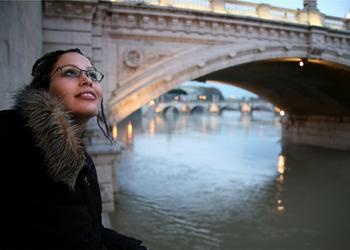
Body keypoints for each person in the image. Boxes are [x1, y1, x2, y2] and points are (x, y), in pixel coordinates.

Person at [0, 48, 149, 250]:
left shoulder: (75, 154)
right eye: (70, 72)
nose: (86, 80)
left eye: (92, 74)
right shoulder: (22, 142)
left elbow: (89, 228)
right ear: (44, 89)